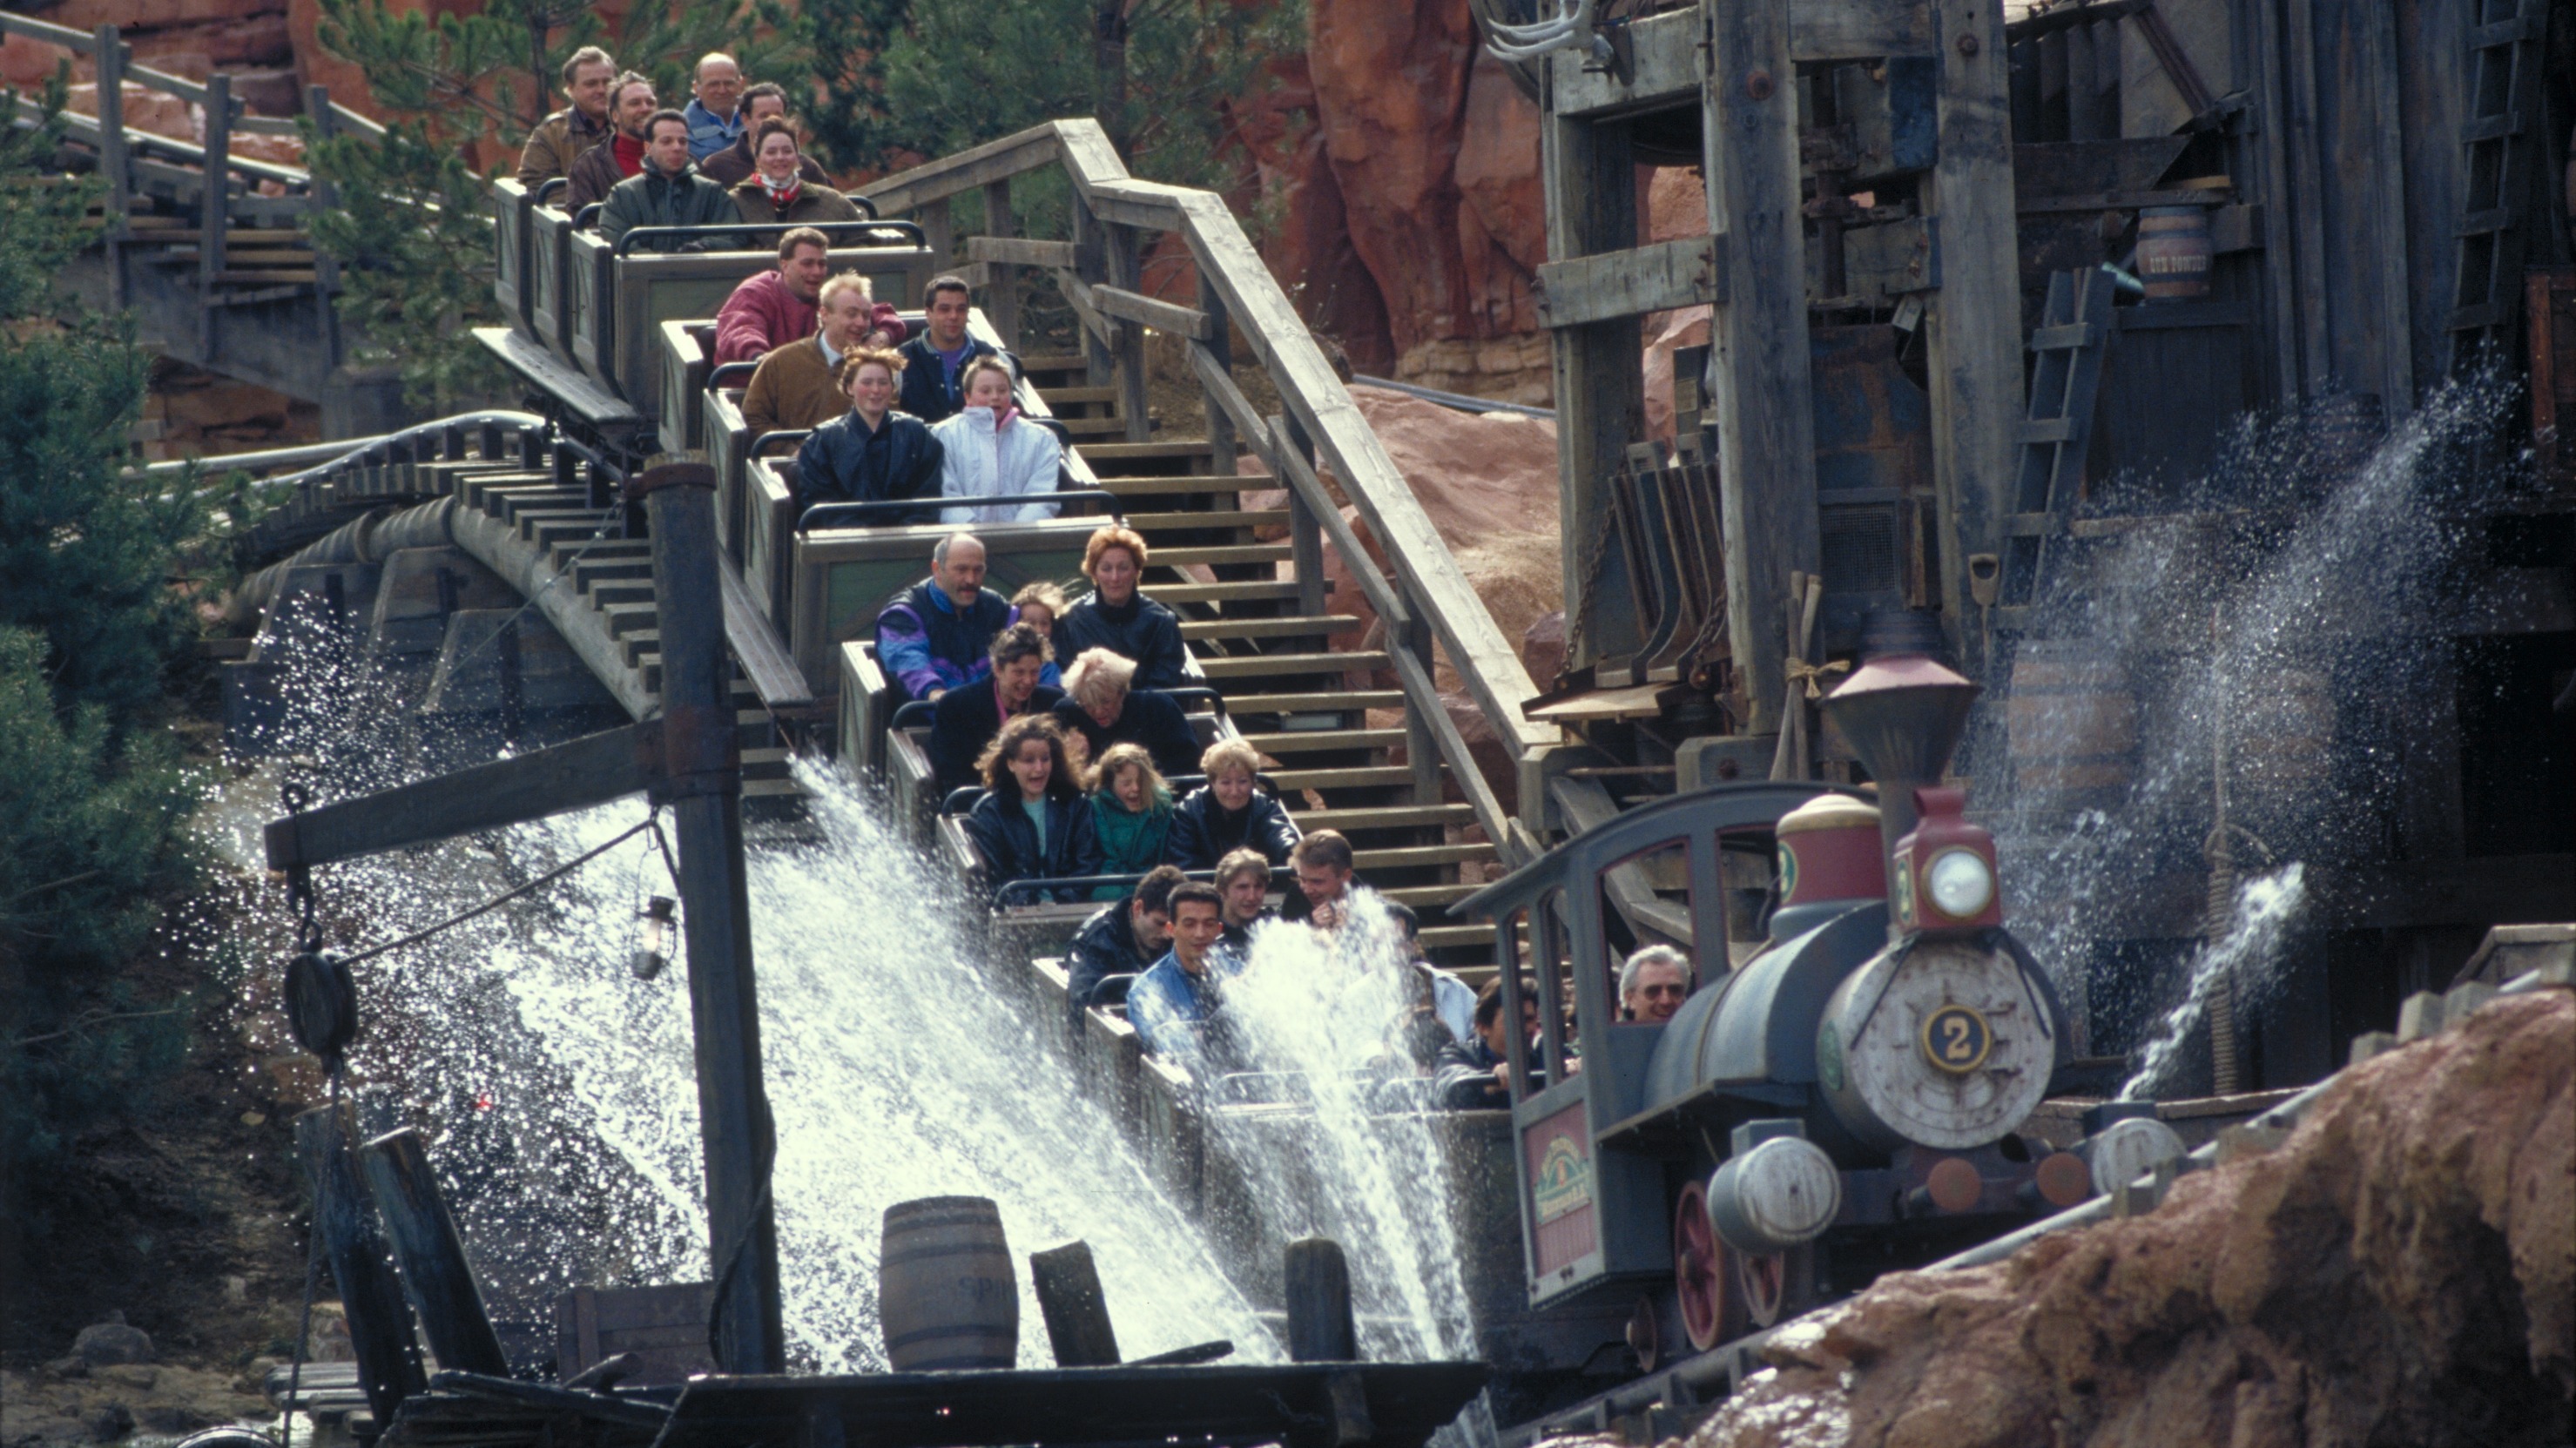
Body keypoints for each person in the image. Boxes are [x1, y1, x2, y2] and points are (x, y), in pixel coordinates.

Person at [741, 272, 907, 435]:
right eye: (851, 314)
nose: (861, 323)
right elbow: (754, 416)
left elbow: (888, 427)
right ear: (824, 314)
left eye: (866, 315)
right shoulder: (782, 361)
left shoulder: (880, 368)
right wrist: (789, 449)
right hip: (792, 460)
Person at [790, 347, 943, 522]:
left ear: (892, 388)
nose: (876, 390)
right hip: (844, 543)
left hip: (907, 541)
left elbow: (928, 498)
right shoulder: (822, 441)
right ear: (849, 388)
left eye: (883, 382)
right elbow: (820, 506)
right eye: (867, 382)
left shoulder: (917, 434)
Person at [962, 714, 1101, 905]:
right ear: (1011, 764)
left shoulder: (1075, 804)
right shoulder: (990, 813)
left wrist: (1061, 903)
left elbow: (1088, 863)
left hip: (1068, 909)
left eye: (1045, 759)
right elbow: (995, 876)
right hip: (1018, 915)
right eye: (1028, 761)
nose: (1039, 768)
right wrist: (1033, 909)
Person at [874, 533, 1013, 703]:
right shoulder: (903, 614)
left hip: (993, 716)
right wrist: (935, 693)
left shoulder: (996, 606)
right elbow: (909, 663)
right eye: (961, 570)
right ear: (937, 569)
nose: (970, 579)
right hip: (925, 720)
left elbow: (1029, 650)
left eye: (978, 570)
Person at [930, 623, 1061, 797]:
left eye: (1034, 672)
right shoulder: (957, 706)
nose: (1028, 681)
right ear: (998, 669)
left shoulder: (1053, 703)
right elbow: (952, 776)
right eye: (1019, 672)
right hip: (981, 803)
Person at [1050, 526, 1187, 690]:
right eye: (1106, 569)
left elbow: (1164, 683)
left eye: (1123, 568)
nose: (1115, 578)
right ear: (1094, 572)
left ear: (1136, 570)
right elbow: (1065, 679)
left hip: (1143, 710)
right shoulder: (1071, 619)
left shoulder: (1162, 622)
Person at [933, 356, 1062, 524]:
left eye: (1002, 390)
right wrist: (973, 533)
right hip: (962, 541)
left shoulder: (1042, 439)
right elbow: (946, 494)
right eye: (985, 391)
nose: (995, 397)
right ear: (967, 397)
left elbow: (1043, 497)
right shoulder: (943, 435)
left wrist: (1015, 533)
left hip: (1023, 539)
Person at [1127, 883, 1240, 1063]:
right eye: (1189, 924)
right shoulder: (1147, 989)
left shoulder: (1241, 975)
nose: (1200, 933)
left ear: (1219, 929)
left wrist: (1197, 1035)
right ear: (1171, 929)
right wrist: (1213, 1036)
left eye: (1209, 924)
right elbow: (1167, 1047)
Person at [599, 111, 739, 252]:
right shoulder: (623, 194)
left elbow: (732, 237)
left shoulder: (712, 192)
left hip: (699, 271)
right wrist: (653, 264)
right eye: (666, 142)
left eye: (683, 141)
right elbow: (615, 237)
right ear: (648, 148)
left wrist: (702, 248)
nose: (677, 148)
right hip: (642, 272)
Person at [1050, 648, 1200, 779]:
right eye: (1087, 705)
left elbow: (1187, 762)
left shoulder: (1157, 708)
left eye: (1105, 702)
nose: (1098, 711)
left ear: (1122, 692)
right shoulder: (1067, 714)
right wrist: (1070, 758)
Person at [1065, 865, 1187, 1021]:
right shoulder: (1099, 941)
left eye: (1172, 926)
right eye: (1159, 923)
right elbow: (1083, 1004)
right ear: (1138, 908)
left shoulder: (1177, 937)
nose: (1167, 934)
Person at [1170, 737, 1299, 871]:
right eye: (1226, 782)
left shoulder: (1264, 807)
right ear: (1212, 783)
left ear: (1253, 782)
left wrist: (1291, 855)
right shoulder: (1190, 810)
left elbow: (1279, 833)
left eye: (1243, 781)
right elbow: (1183, 859)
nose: (1234, 791)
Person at [897, 275, 1012, 424]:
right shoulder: (901, 360)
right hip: (920, 445)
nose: (953, 316)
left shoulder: (992, 356)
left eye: (961, 309)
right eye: (944, 309)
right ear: (928, 313)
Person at [716, 227, 829, 365]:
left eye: (822, 264)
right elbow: (742, 328)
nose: (817, 271)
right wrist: (758, 356)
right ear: (784, 265)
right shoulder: (755, 292)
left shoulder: (828, 299)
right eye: (807, 264)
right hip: (751, 380)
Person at [731, 118, 864, 229]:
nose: (780, 157)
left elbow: (862, 245)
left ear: (797, 157)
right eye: (771, 152)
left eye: (787, 151)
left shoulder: (834, 202)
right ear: (758, 160)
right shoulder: (734, 202)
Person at [1433, 977, 1543, 1109]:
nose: (1524, 1028)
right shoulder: (1458, 1055)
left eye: (1529, 1019)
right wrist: (1489, 1081)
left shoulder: (1544, 1054)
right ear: (1483, 1027)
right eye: (1512, 1020)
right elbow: (1448, 1086)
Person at [516, 45, 616, 191]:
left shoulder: (632, 127)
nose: (601, 90)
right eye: (591, 84)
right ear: (570, 89)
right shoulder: (550, 134)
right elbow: (538, 187)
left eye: (608, 82)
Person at [698, 82, 832, 188]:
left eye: (777, 115)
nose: (772, 120)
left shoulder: (807, 168)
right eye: (764, 116)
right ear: (746, 119)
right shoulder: (716, 167)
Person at [1087, 743, 1176, 901]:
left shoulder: (1161, 804)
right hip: (1113, 880)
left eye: (1140, 781)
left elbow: (1162, 857)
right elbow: (1110, 861)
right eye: (1126, 783)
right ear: (1111, 784)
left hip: (1152, 880)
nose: (1135, 788)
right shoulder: (1098, 806)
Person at [565, 72, 656, 211]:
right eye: (634, 103)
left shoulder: (683, 160)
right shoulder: (589, 167)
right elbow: (583, 224)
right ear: (615, 116)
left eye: (650, 102)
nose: (645, 109)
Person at [1287, 830, 1365, 928]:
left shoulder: (1369, 908)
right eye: (1303, 880)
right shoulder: (1296, 896)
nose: (1307, 890)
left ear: (1345, 876)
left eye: (1317, 882)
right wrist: (1316, 932)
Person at [683, 52, 746, 161]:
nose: (722, 90)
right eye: (713, 84)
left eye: (728, 83)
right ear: (696, 88)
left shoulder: (757, 121)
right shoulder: (682, 132)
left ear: (740, 84)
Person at [1007, 582, 1068, 687]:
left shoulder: (1055, 667)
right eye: (1030, 623)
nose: (1039, 630)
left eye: (1044, 623)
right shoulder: (1001, 659)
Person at [1212, 846, 1274, 949]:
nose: (1251, 897)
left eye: (1258, 887)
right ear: (1222, 890)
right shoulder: (1207, 929)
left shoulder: (1273, 926)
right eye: (1242, 887)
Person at [1619, 943, 1690, 1024]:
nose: (1665, 1001)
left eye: (1674, 990)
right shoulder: (1607, 1036)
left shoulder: (1701, 1035)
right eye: (1653, 991)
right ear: (1630, 999)